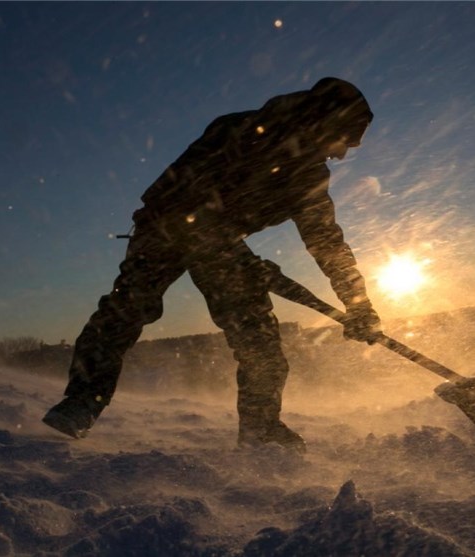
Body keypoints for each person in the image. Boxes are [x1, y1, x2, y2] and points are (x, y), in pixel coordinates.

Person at [43, 77, 382, 452]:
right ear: (322, 121)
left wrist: (359, 304)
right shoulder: (240, 130)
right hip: (164, 227)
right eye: (343, 140)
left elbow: (326, 241)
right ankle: (79, 403)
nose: (342, 154)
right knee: (126, 311)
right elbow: (190, 191)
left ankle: (260, 429)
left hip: (223, 247)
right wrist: (231, 252)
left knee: (258, 336)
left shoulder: (310, 174)